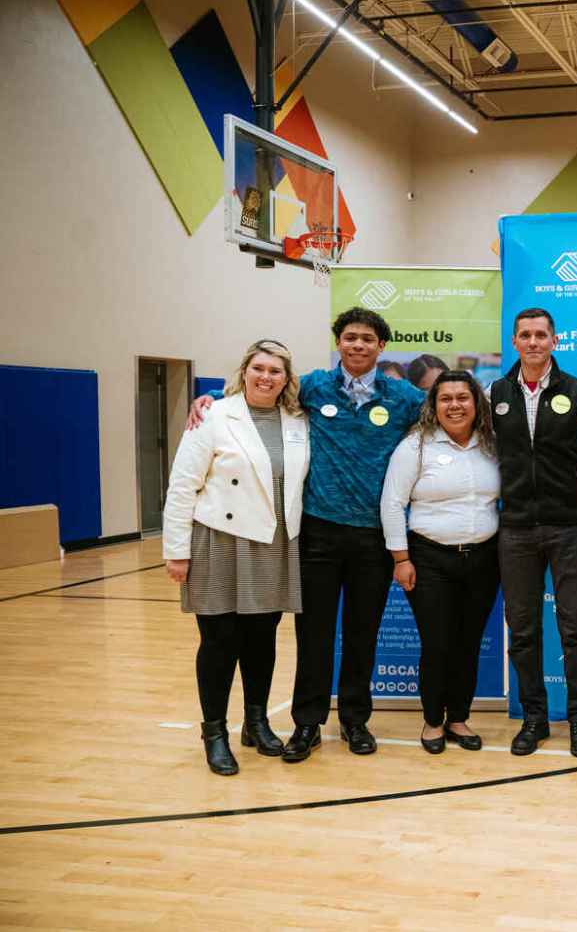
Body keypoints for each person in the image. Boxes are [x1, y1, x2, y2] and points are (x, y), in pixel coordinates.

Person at [188, 307, 425, 761]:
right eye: (350, 337)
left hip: (372, 539)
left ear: (381, 347)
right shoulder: (312, 387)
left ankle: (355, 721)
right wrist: (209, 401)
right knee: (313, 634)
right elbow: (258, 392)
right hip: (317, 533)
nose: (358, 345)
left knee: (362, 634)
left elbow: (452, 408)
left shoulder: (403, 397)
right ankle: (307, 723)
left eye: (368, 339)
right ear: (338, 342)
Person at [163, 339, 310, 775]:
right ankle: (214, 733)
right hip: (219, 541)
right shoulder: (213, 415)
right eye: (259, 368)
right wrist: (177, 552)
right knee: (219, 642)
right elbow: (182, 485)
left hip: (274, 541)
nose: (266, 377)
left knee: (262, 640)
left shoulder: (298, 420)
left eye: (276, 371)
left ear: (287, 379)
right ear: (244, 370)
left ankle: (257, 722)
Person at [491, 308, 577, 757]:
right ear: (515, 341)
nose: (533, 342)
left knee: (575, 627)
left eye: (541, 335)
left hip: (572, 529)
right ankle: (534, 718)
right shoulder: (495, 394)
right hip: (517, 530)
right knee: (522, 630)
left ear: (555, 341)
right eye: (525, 335)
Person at [381, 371, 501, 755]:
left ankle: (459, 718)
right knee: (437, 644)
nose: (454, 405)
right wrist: (401, 558)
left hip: (483, 559)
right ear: (433, 406)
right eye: (445, 398)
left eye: (462, 397)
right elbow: (392, 503)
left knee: (467, 643)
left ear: (476, 402)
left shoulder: (491, 444)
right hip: (429, 558)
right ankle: (433, 720)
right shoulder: (416, 446)